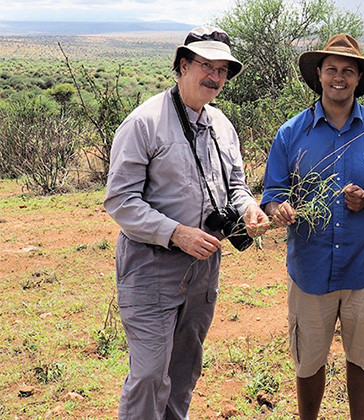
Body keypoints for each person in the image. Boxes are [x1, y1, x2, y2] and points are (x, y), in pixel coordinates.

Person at [104, 26, 269, 419]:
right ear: (181, 65)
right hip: (151, 268)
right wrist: (175, 233)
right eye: (206, 66)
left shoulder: (222, 126)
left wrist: (248, 208)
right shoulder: (144, 122)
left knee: (184, 370)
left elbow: (236, 185)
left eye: (223, 70)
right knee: (148, 375)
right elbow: (120, 200)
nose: (214, 77)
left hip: (203, 269)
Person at [261, 34, 364, 420]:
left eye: (348, 70)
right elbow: (274, 191)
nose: (339, 77)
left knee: (363, 360)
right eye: (332, 69)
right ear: (320, 75)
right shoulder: (291, 133)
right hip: (309, 270)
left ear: (359, 77)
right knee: (308, 362)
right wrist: (280, 208)